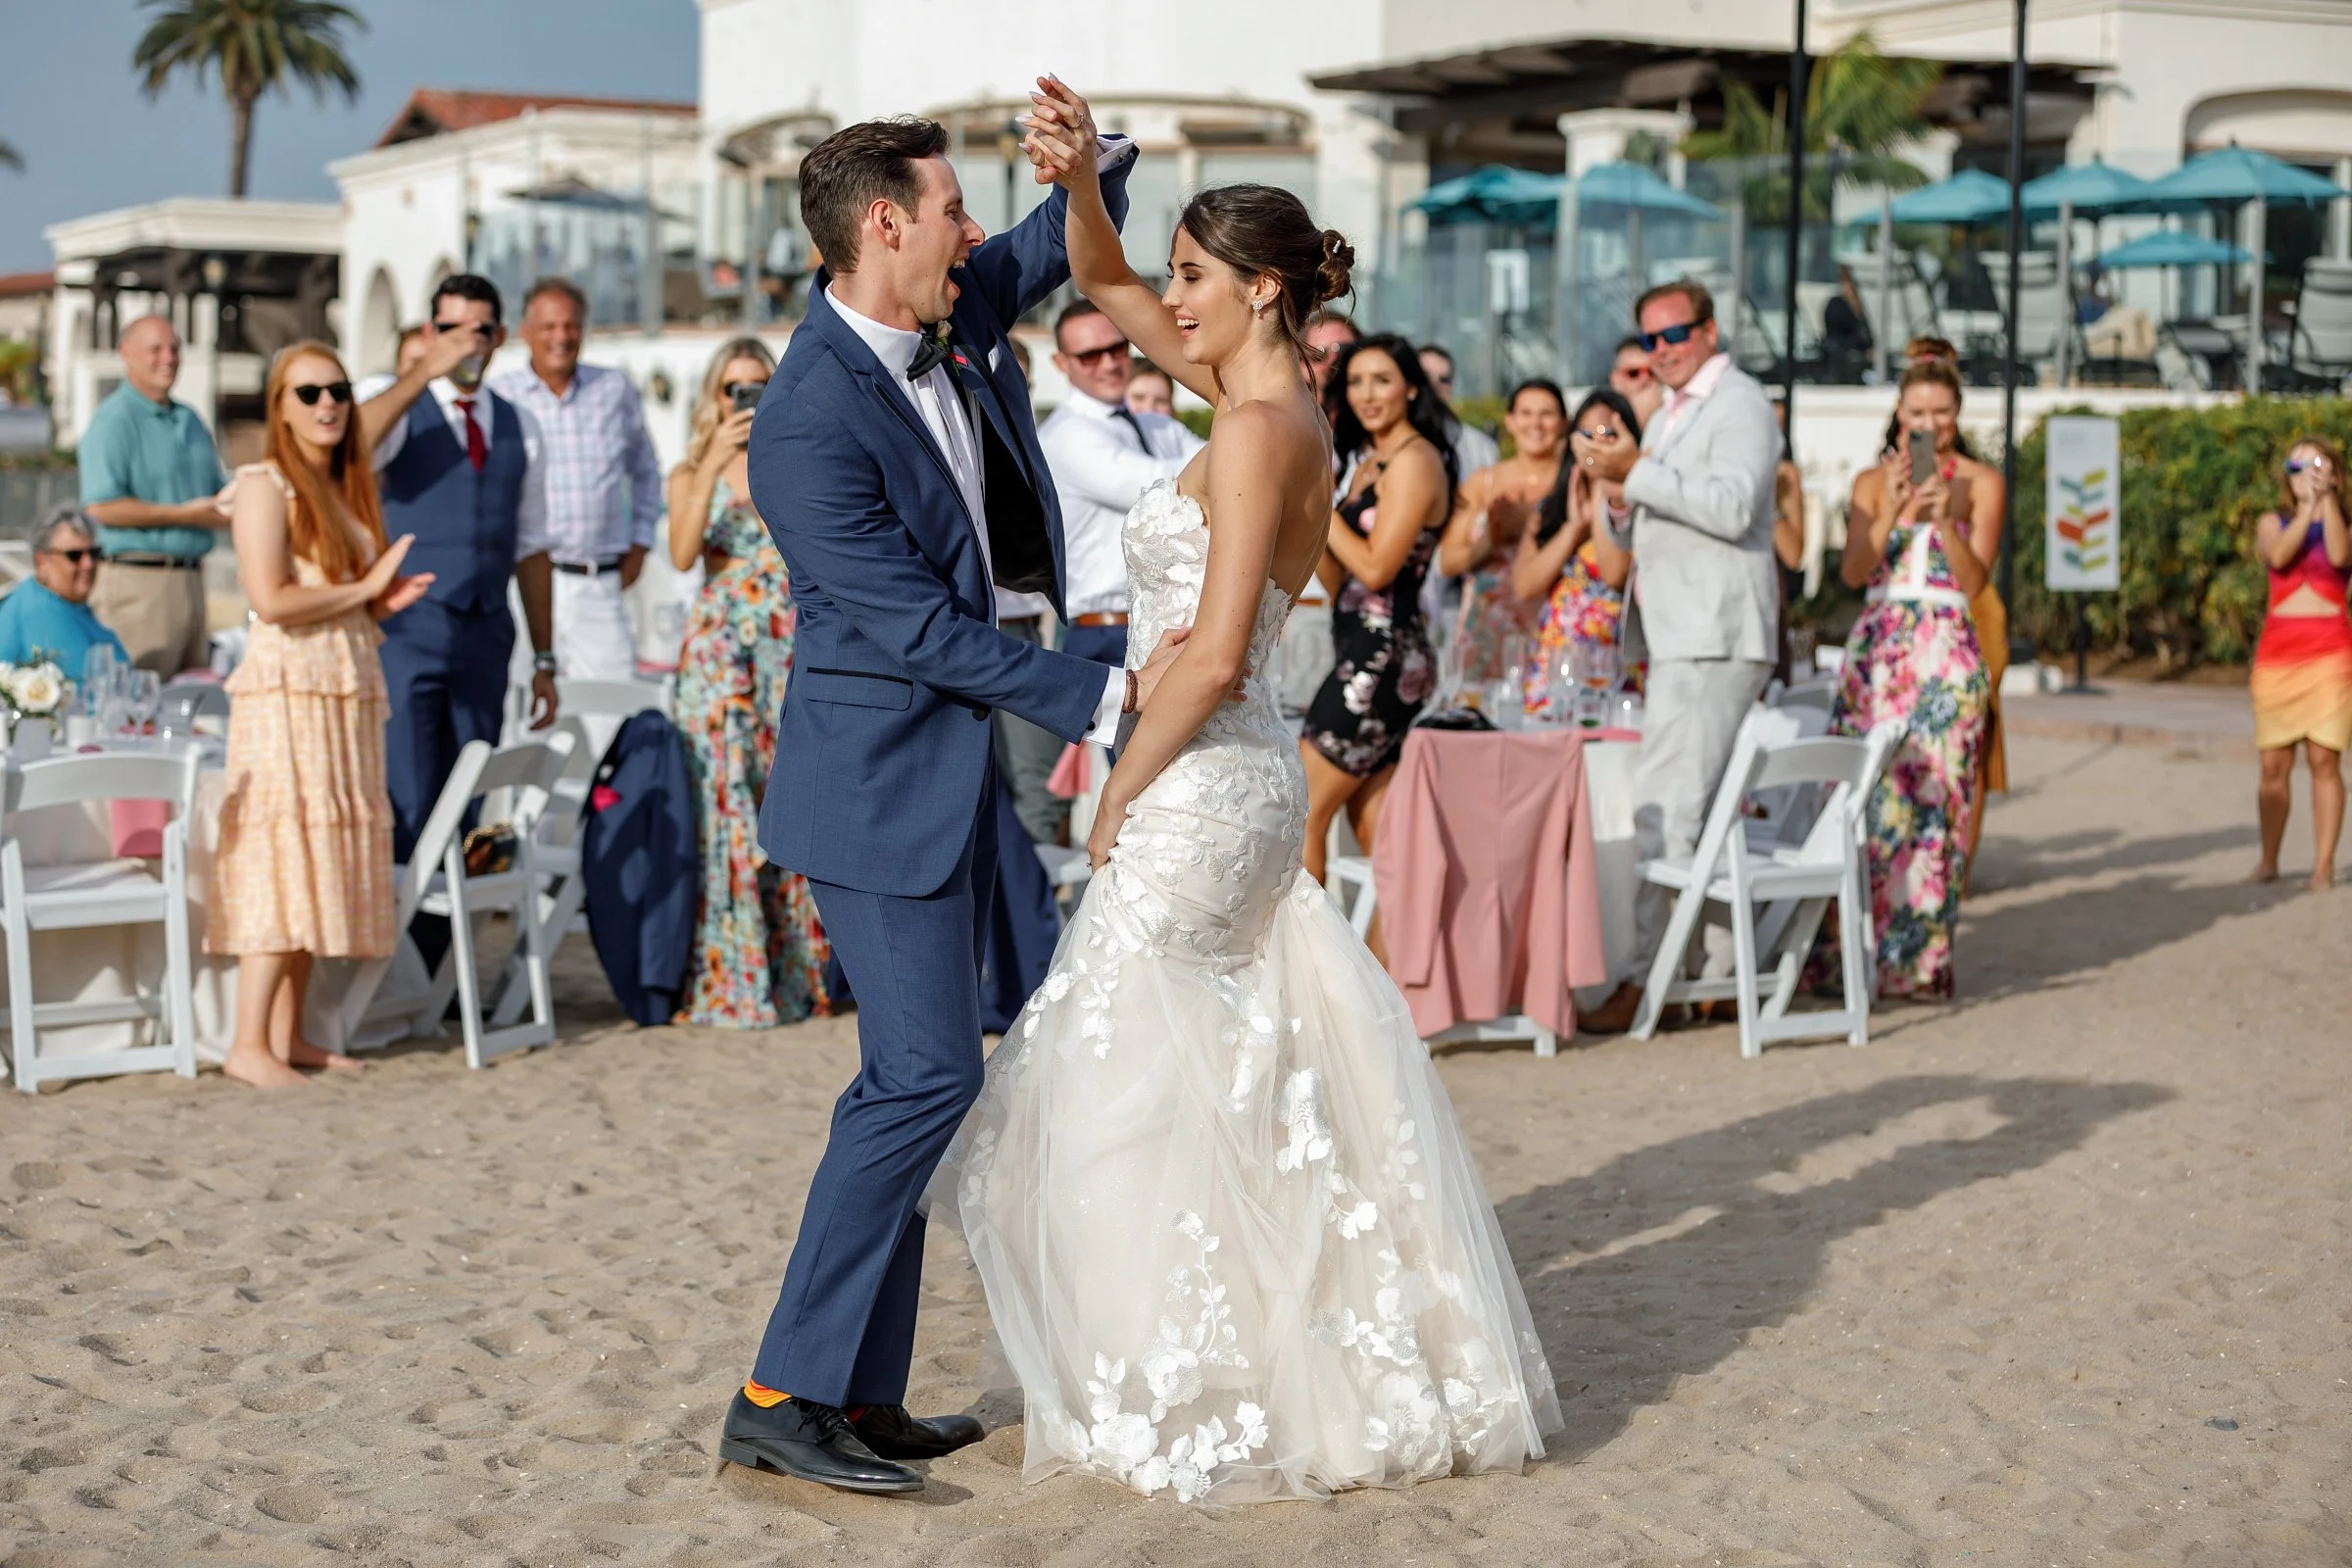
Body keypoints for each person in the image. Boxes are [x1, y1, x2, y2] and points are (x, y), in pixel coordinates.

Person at [932, 74, 1559, 1507]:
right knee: (1194, 1076)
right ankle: (1200, 1355)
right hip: (1239, 784)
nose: (1168, 301)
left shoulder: (1260, 433)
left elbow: (1214, 658)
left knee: (1115, 1085)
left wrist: (1112, 791)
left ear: (1263, 291)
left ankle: (1183, 1373)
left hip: (1203, 781)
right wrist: (1082, 175)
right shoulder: (1253, 400)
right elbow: (1090, 270)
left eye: (1195, 279)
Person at [719, 94, 1169, 1496]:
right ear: (884, 224)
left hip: (948, 769)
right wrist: (1099, 698)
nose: (974, 231)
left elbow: (1054, 241)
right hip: (871, 790)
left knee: (906, 1086)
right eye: (951, 208)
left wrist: (1096, 152)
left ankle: (855, 1392)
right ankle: (781, 1391)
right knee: (925, 1078)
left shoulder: (954, 302)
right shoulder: (800, 420)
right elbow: (911, 626)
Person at [213, 342, 433, 1089]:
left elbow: (331, 593)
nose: (327, 404)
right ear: (278, 406)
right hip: (286, 693)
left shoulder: (339, 486)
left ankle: (291, 1035)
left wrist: (376, 600)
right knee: (280, 853)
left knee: (317, 850)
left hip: (338, 684)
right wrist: (362, 588)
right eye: (307, 394)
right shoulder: (262, 485)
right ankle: (248, 1043)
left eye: (336, 389)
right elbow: (270, 599)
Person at [1573, 279, 1783, 1033]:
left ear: (1711, 330)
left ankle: (1646, 982)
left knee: (1666, 814)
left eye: (1676, 335)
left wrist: (1635, 476)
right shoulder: (1670, 413)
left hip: (1714, 633)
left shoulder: (1741, 404)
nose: (1662, 351)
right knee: (1700, 815)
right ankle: (1713, 976)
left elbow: (1732, 506)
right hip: (1684, 634)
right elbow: (1644, 524)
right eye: (1650, 340)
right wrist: (1621, 496)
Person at [357, 275, 558, 867]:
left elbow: (532, 547)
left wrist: (544, 659)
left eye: (477, 331)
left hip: (485, 637)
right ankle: (400, 955)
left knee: (468, 805)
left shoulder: (521, 425)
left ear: (498, 338)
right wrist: (422, 370)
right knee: (408, 798)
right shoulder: (390, 398)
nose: (463, 344)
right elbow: (349, 447)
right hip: (404, 636)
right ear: (428, 333)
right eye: (449, 330)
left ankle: (451, 955)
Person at [664, 336, 832, 1027]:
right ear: (712, 398)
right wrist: (710, 465)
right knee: (725, 808)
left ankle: (795, 975)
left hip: (787, 648)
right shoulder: (688, 471)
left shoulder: (798, 455)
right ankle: (732, 978)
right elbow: (680, 554)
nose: (745, 399)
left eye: (757, 385)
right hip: (721, 655)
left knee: (788, 803)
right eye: (732, 388)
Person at [1832, 352, 2001, 998]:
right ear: (1898, 415)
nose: (1929, 422)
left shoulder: (1981, 483)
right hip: (1880, 651)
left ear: (1957, 415)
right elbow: (1851, 573)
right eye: (1917, 412)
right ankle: (1851, 956)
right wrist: (1891, 511)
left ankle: (1918, 965)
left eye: (1941, 411)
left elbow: (1976, 579)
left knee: (1937, 809)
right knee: (1865, 802)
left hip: (1946, 652)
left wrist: (1939, 521)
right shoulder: (1871, 483)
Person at [1299, 332, 1452, 888]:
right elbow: (1339, 577)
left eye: (1382, 380)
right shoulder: (1369, 464)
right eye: (1357, 381)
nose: (1367, 394)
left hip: (1384, 655)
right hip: (1363, 648)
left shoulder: (1414, 461)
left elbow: (1377, 569)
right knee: (1376, 829)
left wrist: (1318, 499)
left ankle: (1310, 969)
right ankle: (1390, 971)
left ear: (1411, 388)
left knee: (1304, 810)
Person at [488, 277, 665, 691]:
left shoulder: (614, 388)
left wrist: (640, 543)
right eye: (549, 327)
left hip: (598, 582)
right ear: (525, 332)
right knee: (519, 716)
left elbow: (646, 470)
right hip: (520, 587)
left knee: (613, 711)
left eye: (570, 326)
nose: (561, 337)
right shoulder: (501, 397)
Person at [1039, 299, 1203, 687]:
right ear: (1062, 363)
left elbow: (1222, 460)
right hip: (1111, 632)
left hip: (1164, 624)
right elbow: (1165, 489)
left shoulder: (1153, 425)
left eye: (1116, 349)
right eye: (1090, 356)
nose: (1109, 364)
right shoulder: (1066, 434)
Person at [76, 316, 231, 675]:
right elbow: (101, 507)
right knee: (137, 710)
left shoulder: (191, 420)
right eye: (156, 349)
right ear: (126, 353)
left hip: (193, 583)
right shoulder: (112, 422)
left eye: (175, 348)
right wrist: (185, 515)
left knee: (195, 705)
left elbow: (218, 499)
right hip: (138, 586)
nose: (169, 357)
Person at [2249, 436, 2351, 890]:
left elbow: (2339, 556)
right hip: (2278, 656)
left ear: (2333, 470)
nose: (2306, 472)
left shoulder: (2345, 522)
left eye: (2315, 463)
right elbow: (2279, 554)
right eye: (2297, 466)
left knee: (2324, 760)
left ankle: (2323, 864)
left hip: (2331, 654)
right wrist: (2306, 509)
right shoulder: (2272, 521)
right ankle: (2269, 859)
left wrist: (2326, 501)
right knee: (2273, 767)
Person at [1513, 388, 1638, 720]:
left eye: (1608, 433)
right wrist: (1572, 530)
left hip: (1613, 667)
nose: (1597, 443)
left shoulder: (1631, 501)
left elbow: (1614, 573)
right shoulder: (1554, 504)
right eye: (1587, 434)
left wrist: (1603, 485)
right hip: (1557, 667)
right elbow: (1524, 585)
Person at [1436, 377, 1563, 685]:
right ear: (1511, 421)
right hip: (1486, 627)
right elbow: (1446, 561)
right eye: (1526, 413)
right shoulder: (1484, 482)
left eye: (1546, 414)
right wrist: (1491, 540)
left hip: (1553, 627)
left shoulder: (1573, 483)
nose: (1536, 423)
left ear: (1563, 422)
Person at [0, 507, 127, 671]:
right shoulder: (40, 611)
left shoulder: (62, 602)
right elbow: (82, 681)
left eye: (94, 553)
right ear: (41, 561)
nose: (88, 564)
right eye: (74, 555)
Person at [1418, 343, 1500, 479]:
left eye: (1444, 379)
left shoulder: (1480, 447)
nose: (1434, 385)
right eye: (1426, 377)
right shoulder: (1381, 438)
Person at [1821, 263, 1874, 381]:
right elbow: (1840, 332)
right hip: (1842, 350)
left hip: (1856, 348)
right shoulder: (1836, 305)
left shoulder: (1863, 305)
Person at [1609, 334, 1664, 426]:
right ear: (1615, 379)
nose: (1645, 379)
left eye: (1651, 372)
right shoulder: (1600, 416)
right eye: (1633, 373)